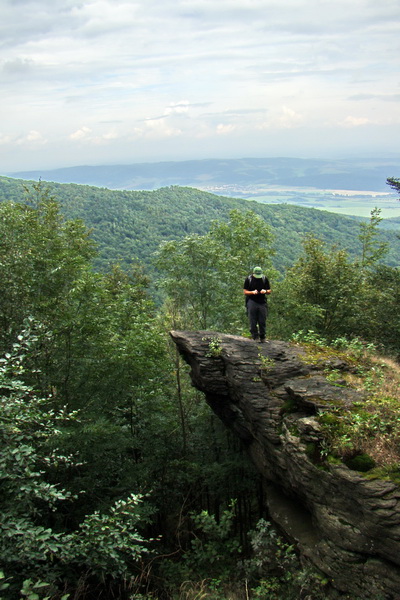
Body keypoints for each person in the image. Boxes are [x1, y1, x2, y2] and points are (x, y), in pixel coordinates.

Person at [243, 266, 271, 342]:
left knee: (262, 320)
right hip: (252, 301)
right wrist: (252, 292)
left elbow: (269, 290)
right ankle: (255, 337)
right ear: (253, 273)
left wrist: (265, 291)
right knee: (253, 320)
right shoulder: (249, 279)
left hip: (262, 302)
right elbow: (245, 291)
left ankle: (263, 337)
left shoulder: (264, 279)